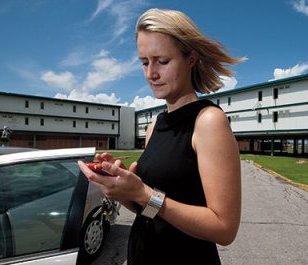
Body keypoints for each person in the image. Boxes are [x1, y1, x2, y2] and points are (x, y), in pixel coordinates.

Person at [78, 8, 242, 265]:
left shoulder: (208, 121)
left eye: (162, 61)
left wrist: (143, 193)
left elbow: (224, 229)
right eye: (144, 62)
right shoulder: (155, 125)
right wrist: (124, 190)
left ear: (191, 59)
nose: (150, 73)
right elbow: (153, 210)